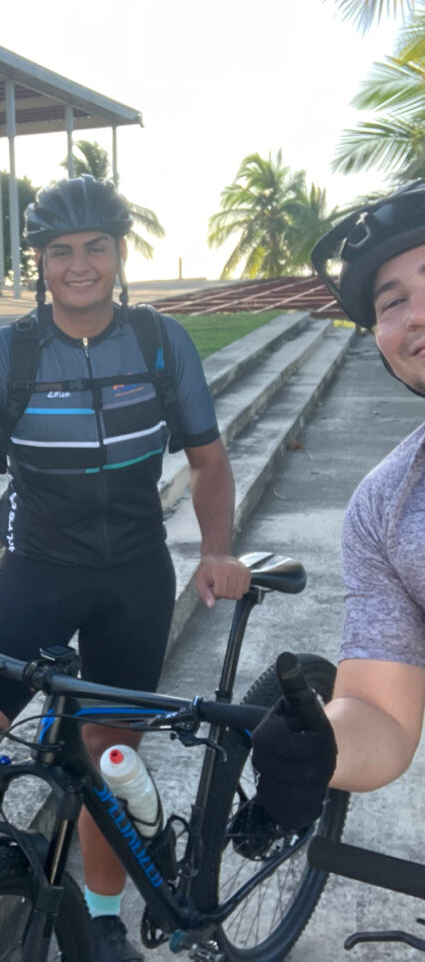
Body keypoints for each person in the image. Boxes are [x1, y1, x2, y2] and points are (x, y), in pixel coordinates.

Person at [0, 174, 250, 962]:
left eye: (96, 248)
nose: (80, 265)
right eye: (61, 251)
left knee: (110, 759)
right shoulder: (7, 352)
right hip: (37, 573)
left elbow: (209, 462)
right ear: (39, 261)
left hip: (136, 578)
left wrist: (217, 548)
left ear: (118, 253)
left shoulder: (158, 343)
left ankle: (103, 915)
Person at [252, 180, 425, 831]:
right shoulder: (386, 506)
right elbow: (381, 712)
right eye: (393, 301)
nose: (416, 313)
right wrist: (325, 745)